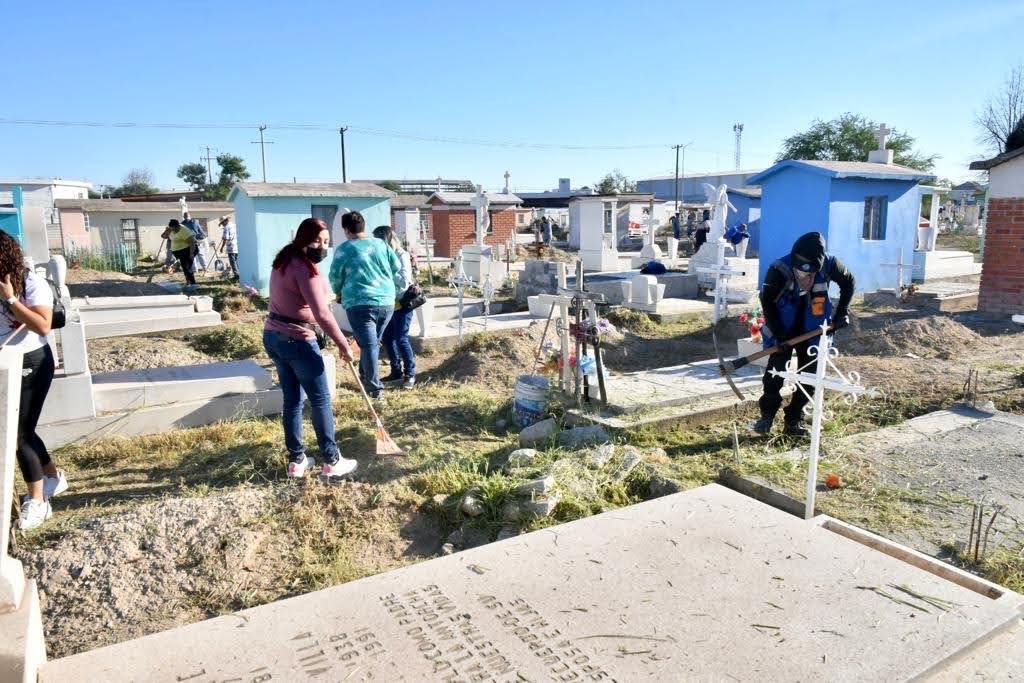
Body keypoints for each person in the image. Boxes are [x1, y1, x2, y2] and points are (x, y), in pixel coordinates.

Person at [264, 218, 358, 480]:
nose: (322, 247)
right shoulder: (305, 270)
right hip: (297, 340)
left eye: (326, 242)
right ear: (303, 239)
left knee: (292, 399)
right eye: (317, 241)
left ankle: (297, 461)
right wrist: (344, 345)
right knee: (320, 399)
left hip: (273, 335)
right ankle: (332, 460)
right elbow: (323, 314)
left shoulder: (283, 261)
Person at [753, 232, 855, 437]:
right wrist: (780, 336)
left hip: (814, 327)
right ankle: (767, 416)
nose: (807, 279)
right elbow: (768, 303)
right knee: (775, 373)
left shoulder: (830, 264)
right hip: (782, 325)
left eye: (812, 275)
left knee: (810, 375)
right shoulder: (778, 270)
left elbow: (848, 282)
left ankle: (793, 420)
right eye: (802, 273)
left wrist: (842, 312)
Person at [0, 231, 67, 529]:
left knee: (18, 433)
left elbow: (43, 325)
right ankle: (53, 477)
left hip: (32, 361)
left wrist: (11, 299)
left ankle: (38, 502)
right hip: (6, 361)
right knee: (24, 429)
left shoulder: (31, 283)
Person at [329, 211, 406, 404]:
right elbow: (396, 266)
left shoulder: (344, 249)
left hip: (359, 303)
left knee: (369, 344)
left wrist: (338, 292)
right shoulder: (381, 244)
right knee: (371, 342)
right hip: (386, 302)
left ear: (346, 230)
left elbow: (335, 277)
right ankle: (365, 375)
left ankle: (374, 390)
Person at [373, 225, 416, 389]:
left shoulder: (401, 255)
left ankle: (410, 374)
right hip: (388, 302)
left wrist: (388, 269)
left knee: (401, 338)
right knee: (387, 338)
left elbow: (404, 281)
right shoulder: (382, 255)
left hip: (403, 302)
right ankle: (396, 371)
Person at [160, 219, 197, 290]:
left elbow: (192, 242)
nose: (173, 231)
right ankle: (189, 282)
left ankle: (193, 283)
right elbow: (163, 236)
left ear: (178, 226)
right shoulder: (170, 229)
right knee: (184, 266)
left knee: (187, 266)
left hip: (189, 249)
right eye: (171, 229)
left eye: (174, 229)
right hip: (179, 251)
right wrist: (167, 231)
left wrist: (191, 254)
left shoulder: (184, 231)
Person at [217, 215, 239, 279]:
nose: (222, 225)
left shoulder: (226, 228)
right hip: (236, 246)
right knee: (237, 261)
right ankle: (239, 274)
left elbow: (225, 238)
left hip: (231, 247)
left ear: (225, 221)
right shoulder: (234, 225)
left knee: (233, 262)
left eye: (222, 223)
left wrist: (221, 247)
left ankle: (236, 275)